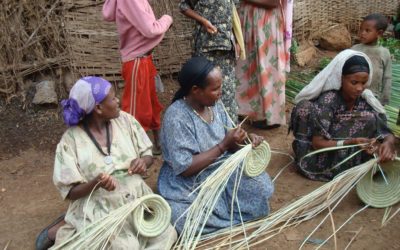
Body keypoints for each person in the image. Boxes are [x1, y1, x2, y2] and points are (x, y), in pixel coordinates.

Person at [36, 77, 177, 249]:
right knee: (125, 246)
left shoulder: (126, 121)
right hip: (100, 205)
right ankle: (63, 228)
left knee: (167, 234)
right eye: (113, 98)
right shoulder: (71, 141)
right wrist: (96, 183)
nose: (118, 101)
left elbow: (148, 155)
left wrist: (142, 162)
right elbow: (70, 191)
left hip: (136, 198)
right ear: (98, 108)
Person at [157, 57, 274, 234]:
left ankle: (226, 217)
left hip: (221, 168)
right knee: (182, 217)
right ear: (196, 90)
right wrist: (223, 146)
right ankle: (228, 221)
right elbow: (185, 168)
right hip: (188, 182)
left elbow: (232, 141)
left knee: (262, 188)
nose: (220, 92)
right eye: (215, 89)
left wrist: (247, 140)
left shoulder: (215, 105)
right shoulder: (177, 117)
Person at [290, 50, 396, 181]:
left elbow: (386, 132)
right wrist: (351, 142)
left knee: (371, 118)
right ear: (341, 78)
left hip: (350, 151)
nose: (359, 88)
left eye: (363, 83)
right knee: (367, 118)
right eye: (354, 82)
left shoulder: (364, 99)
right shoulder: (328, 101)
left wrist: (388, 142)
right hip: (321, 158)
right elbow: (317, 143)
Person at [102, 0, 173, 154]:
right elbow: (150, 29)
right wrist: (167, 19)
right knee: (134, 110)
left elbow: (107, 13)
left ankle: (157, 144)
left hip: (144, 58)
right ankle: (131, 153)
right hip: (137, 61)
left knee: (152, 103)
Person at [179, 0, 240, 122]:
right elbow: (183, 6)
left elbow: (233, 12)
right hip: (205, 45)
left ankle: (230, 130)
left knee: (227, 91)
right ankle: (207, 130)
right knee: (206, 89)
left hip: (226, 46)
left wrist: (237, 40)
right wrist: (203, 21)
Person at [235, 0, 293, 129]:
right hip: (248, 19)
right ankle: (249, 111)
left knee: (268, 66)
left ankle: (269, 116)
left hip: (266, 21)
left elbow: (273, 3)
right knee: (248, 67)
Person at [352, 13, 392, 105]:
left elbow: (387, 77)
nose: (362, 33)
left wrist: (384, 99)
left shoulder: (384, 53)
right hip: (352, 93)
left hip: (372, 96)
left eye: (367, 30)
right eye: (361, 29)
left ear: (379, 33)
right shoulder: (355, 49)